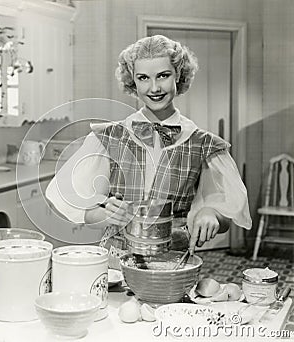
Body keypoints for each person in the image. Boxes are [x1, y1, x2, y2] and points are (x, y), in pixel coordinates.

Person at [45, 35, 251, 259]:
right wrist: (105, 213)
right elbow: (81, 207)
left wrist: (210, 213)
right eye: (143, 78)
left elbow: (225, 219)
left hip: (173, 262)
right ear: (132, 81)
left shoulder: (204, 144)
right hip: (115, 261)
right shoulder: (108, 137)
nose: (154, 88)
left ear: (179, 75)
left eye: (163, 75)